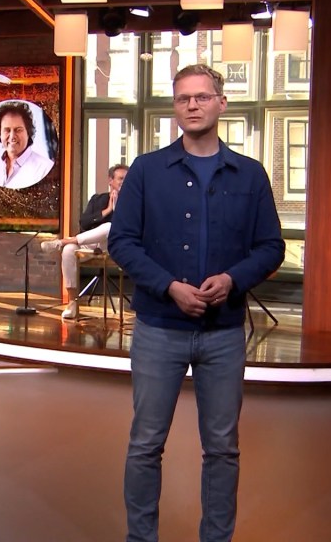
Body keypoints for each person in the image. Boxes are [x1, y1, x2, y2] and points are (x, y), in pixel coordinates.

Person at [107, 64, 284, 542]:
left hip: (223, 334)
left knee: (223, 449)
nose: (192, 105)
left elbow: (271, 247)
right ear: (175, 107)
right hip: (158, 330)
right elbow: (122, 241)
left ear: (221, 103)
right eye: (184, 98)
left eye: (202, 97)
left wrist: (232, 279)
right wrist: (169, 286)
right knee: (146, 444)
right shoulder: (146, 171)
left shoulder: (250, 174)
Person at [42, 164, 128, 319]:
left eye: (127, 179)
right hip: (92, 244)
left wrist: (118, 208)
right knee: (69, 250)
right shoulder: (97, 200)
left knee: (110, 227)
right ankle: (72, 303)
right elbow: (84, 223)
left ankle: (62, 242)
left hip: (115, 246)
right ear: (110, 180)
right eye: (121, 178)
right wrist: (107, 210)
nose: (124, 182)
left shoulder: (132, 202)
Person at [0, 101, 54, 189]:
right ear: (0, 134)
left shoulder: (44, 168)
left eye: (18, 130)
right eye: (7, 130)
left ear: (28, 133)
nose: (12, 136)